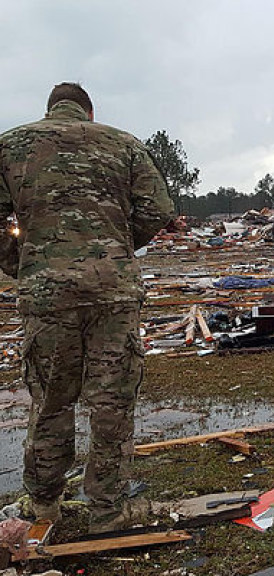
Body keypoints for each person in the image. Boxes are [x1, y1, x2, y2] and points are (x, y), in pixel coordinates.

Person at [0, 83, 174, 533]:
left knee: (51, 400)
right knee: (112, 401)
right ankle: (107, 510)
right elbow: (158, 207)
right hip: (113, 292)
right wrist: (117, 247)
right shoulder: (123, 143)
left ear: (50, 110)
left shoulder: (11, 146)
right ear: (89, 113)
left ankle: (44, 504)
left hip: (47, 295)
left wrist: (21, 262)